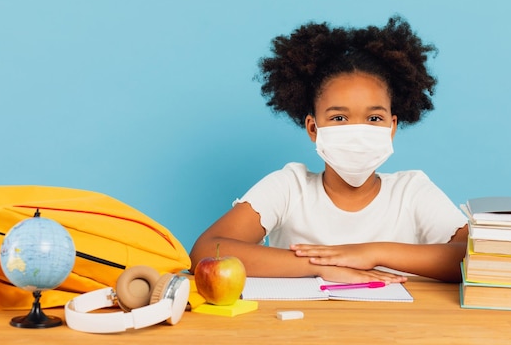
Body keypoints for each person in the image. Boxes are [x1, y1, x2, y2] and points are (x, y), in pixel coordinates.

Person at [190, 15, 468, 284]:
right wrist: (322, 267)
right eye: (339, 118)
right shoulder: (289, 188)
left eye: (374, 118)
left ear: (392, 127)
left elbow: (474, 257)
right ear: (313, 128)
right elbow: (207, 250)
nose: (358, 132)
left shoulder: (412, 192)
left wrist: (371, 253)